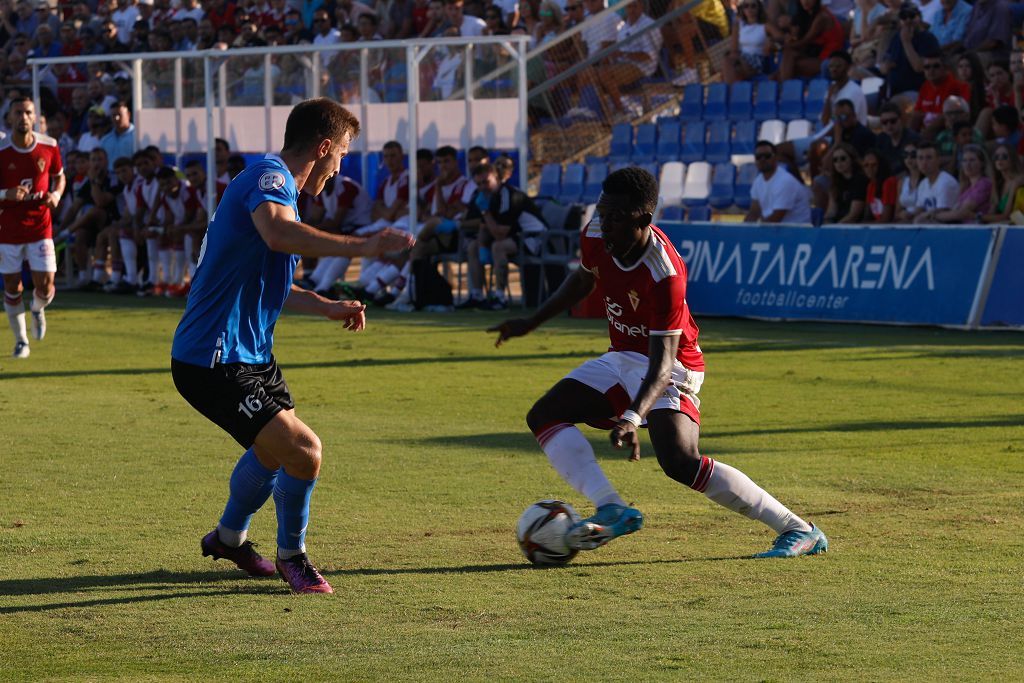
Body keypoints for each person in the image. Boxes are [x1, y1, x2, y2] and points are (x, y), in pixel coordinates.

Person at [487, 167, 828, 559]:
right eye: (601, 213)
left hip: (673, 367)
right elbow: (584, 279)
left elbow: (662, 364)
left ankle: (798, 529)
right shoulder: (597, 233)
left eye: (616, 218)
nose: (605, 226)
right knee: (544, 415)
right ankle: (612, 507)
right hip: (622, 358)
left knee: (679, 461)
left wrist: (633, 416)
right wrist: (531, 321)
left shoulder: (664, 274)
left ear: (643, 220)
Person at [171, 98, 414, 595]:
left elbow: (266, 282)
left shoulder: (277, 190)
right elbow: (279, 236)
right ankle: (293, 558)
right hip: (212, 358)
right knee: (304, 451)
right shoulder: (269, 177)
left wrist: (327, 305)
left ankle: (228, 538)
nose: (341, 165)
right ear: (323, 148)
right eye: (342, 153)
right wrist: (365, 246)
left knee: (275, 451)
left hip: (250, 354)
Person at [0, 97, 64, 359]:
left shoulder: (49, 146)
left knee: (46, 286)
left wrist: (56, 195)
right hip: (8, 228)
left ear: (35, 117)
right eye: (18, 112)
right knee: (13, 286)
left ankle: (37, 309)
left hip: (40, 225)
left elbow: (59, 176)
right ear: (10, 118)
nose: (23, 117)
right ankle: (21, 341)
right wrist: (6, 193)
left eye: (28, 112)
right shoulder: (2, 150)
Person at [461, 162, 548, 310]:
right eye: (479, 184)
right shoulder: (487, 196)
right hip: (515, 237)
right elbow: (483, 228)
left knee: (498, 246)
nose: (483, 187)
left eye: (486, 182)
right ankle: (477, 295)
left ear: (497, 178)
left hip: (535, 237)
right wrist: (481, 248)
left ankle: (500, 298)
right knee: (472, 247)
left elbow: (499, 233)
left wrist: (485, 212)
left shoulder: (509, 195)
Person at [917, 144, 992, 223]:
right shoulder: (967, 186)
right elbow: (954, 210)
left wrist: (931, 215)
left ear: (982, 163)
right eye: (964, 160)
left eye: (972, 160)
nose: (967, 164)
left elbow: (961, 213)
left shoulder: (984, 184)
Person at [744, 140, 812, 223]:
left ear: (776, 158)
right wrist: (741, 233)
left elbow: (775, 219)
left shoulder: (785, 182)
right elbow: (754, 213)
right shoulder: (758, 181)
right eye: (758, 157)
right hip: (778, 231)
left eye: (767, 156)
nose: (762, 159)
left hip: (796, 232)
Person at [722, 0, 772, 84]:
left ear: (759, 8)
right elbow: (734, 49)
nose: (750, 9)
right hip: (741, 58)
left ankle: (731, 92)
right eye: (746, 6)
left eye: (753, 6)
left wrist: (772, 43)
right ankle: (732, 92)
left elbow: (780, 38)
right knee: (727, 61)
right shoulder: (739, 24)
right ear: (743, 9)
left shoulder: (765, 26)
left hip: (756, 61)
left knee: (730, 65)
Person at [907, 141, 959, 220]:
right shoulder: (923, 184)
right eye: (920, 158)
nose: (924, 162)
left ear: (938, 160)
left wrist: (920, 217)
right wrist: (907, 214)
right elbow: (919, 209)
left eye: (929, 158)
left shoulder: (945, 182)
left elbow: (942, 211)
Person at [825, 143, 868, 223]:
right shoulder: (835, 183)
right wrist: (826, 223)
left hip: (853, 227)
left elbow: (854, 215)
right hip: (838, 224)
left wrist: (836, 228)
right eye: (835, 160)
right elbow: (831, 212)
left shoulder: (860, 180)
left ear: (852, 159)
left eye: (843, 158)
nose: (839, 162)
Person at [982, 143, 1023, 224]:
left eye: (1004, 156)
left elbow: (1006, 215)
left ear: (1012, 159)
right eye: (996, 157)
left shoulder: (1018, 180)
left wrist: (976, 216)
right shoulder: (998, 183)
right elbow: (992, 211)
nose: (999, 160)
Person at [862, 148, 898, 222]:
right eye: (866, 165)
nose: (870, 168)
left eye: (874, 165)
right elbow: (867, 216)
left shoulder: (889, 183)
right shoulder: (871, 185)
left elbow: (886, 219)